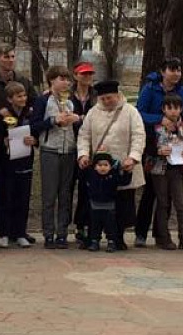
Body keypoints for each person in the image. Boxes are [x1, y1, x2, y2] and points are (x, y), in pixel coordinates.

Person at [76, 79, 145, 251]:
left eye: (110, 98)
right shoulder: (93, 113)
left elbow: (138, 135)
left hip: (121, 165)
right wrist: (83, 155)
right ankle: (93, 236)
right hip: (98, 168)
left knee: (122, 203)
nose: (107, 101)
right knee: (95, 202)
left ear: (117, 95)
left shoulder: (131, 112)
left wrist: (133, 158)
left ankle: (118, 237)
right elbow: (84, 135)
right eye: (104, 99)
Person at [134, 58, 183, 247]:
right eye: (172, 70)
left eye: (179, 70)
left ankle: (161, 233)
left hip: (173, 147)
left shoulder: (181, 91)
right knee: (150, 192)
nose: (176, 73)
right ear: (163, 71)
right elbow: (139, 112)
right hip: (152, 145)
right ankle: (140, 232)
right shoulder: (150, 88)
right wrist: (159, 119)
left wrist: (178, 124)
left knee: (168, 195)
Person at [30, 66, 83, 249]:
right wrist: (53, 121)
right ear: (52, 80)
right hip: (50, 151)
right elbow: (34, 125)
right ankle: (48, 234)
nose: (66, 82)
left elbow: (78, 125)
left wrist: (77, 119)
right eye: (62, 78)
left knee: (65, 195)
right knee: (49, 195)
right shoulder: (42, 100)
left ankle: (62, 233)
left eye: (68, 79)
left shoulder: (71, 101)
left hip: (69, 150)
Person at [149, 96, 183, 251]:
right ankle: (163, 237)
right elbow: (148, 146)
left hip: (178, 168)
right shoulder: (156, 127)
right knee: (163, 203)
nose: (173, 111)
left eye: (176, 108)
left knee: (181, 203)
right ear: (163, 109)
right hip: (159, 168)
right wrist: (158, 151)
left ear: (181, 109)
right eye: (169, 108)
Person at [0, 82, 36, 248]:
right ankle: (4, 233)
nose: (23, 99)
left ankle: (20, 233)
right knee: (7, 198)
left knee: (23, 199)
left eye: (24, 95)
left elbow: (36, 133)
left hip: (26, 161)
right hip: (8, 164)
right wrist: (4, 142)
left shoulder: (30, 113)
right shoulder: (4, 115)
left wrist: (34, 140)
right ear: (9, 99)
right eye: (19, 96)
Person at [70, 62, 99, 248]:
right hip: (68, 146)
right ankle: (62, 227)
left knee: (86, 189)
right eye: (83, 74)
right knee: (66, 188)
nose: (87, 77)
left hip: (90, 147)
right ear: (76, 76)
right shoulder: (67, 95)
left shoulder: (96, 96)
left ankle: (83, 225)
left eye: (89, 74)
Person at [82, 153, 126, 252]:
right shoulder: (91, 175)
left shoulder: (113, 176)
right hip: (94, 206)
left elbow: (124, 181)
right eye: (100, 165)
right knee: (94, 226)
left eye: (106, 165)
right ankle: (94, 241)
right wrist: (84, 165)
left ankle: (111, 242)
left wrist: (127, 172)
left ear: (110, 166)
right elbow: (82, 175)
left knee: (110, 227)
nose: (103, 168)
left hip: (109, 207)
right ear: (94, 166)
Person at [0, 44, 38, 119]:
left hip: (21, 126)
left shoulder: (24, 81)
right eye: (6, 57)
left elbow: (34, 102)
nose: (11, 60)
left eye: (13, 57)